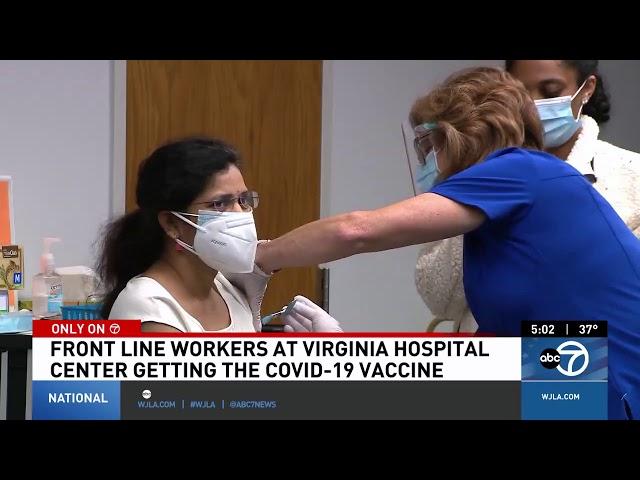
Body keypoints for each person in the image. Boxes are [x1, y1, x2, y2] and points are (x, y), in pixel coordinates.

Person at [254, 67, 640, 420]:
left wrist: (258, 257)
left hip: (598, 379)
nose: (427, 159)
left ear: (461, 136)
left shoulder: (520, 169)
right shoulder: (501, 226)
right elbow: (490, 350)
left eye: (429, 143)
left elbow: (355, 231)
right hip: (572, 369)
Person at [415, 60, 640, 334]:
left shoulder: (631, 174)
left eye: (550, 91)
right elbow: (439, 298)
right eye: (521, 92)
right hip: (490, 362)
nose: (533, 104)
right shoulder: (480, 173)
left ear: (587, 89)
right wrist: (485, 186)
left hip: (577, 358)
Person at [97, 137, 340, 333]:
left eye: (243, 200)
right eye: (220, 204)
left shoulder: (226, 287)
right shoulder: (148, 307)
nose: (240, 214)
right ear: (171, 223)